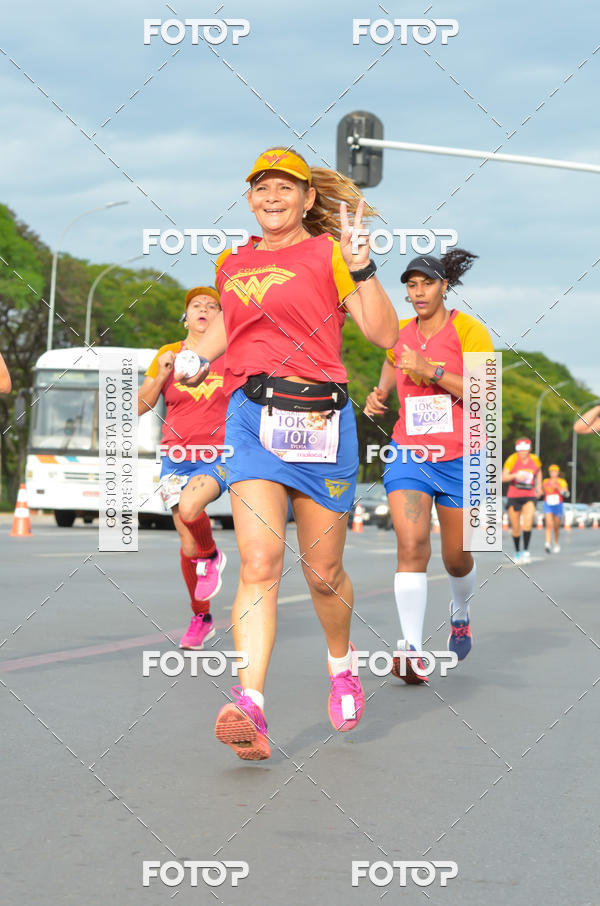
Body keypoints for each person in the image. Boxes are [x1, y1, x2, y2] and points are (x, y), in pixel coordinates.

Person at [176, 147, 398, 760]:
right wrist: (199, 353)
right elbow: (231, 332)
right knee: (259, 561)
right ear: (249, 198)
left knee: (323, 575)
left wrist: (363, 266)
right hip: (252, 419)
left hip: (322, 419)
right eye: (261, 187)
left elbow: (383, 334)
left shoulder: (331, 251)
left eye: (285, 187)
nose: (272, 196)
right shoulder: (232, 261)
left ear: (305, 199)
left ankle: (343, 666)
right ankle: (251, 704)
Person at [364, 250, 493, 681]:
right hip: (409, 454)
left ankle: (460, 611)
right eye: (411, 285)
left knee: (457, 559)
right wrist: (379, 394)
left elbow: (485, 395)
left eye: (427, 284)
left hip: (462, 458)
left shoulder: (469, 330)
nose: (418, 293)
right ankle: (412, 649)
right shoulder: (399, 333)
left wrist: (431, 369)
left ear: (444, 287)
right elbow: (389, 359)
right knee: (412, 543)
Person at [137, 287, 229, 650]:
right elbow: (141, 405)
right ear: (186, 317)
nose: (203, 310)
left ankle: (213, 556)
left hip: (221, 453)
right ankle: (200, 616)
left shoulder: (232, 354)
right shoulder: (167, 353)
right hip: (177, 456)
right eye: (196, 306)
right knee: (188, 542)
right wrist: (161, 375)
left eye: (212, 306)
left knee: (192, 506)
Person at [501, 438, 542, 564]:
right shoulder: (512, 459)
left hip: (529, 494)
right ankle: (518, 551)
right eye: (519, 450)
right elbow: (503, 477)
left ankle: (526, 551)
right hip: (514, 495)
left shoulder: (534, 459)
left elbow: (539, 472)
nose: (522, 452)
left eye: (525, 449)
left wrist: (539, 487)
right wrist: (515, 475)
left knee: (528, 522)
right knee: (516, 527)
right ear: (516, 450)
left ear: (529, 449)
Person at [542, 464, 569, 553]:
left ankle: (556, 543)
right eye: (551, 471)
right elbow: (542, 491)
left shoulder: (562, 482)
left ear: (558, 472)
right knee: (548, 524)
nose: (553, 473)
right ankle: (547, 544)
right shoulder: (545, 481)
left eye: (555, 471)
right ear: (549, 473)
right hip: (548, 504)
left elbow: (567, 494)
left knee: (556, 526)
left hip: (558, 505)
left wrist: (558, 488)